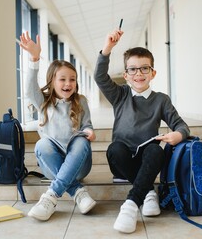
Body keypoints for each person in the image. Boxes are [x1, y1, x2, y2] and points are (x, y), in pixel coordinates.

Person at [94, 29, 190, 233]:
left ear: (153, 73)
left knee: (157, 150)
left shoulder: (161, 100)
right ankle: (147, 191)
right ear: (125, 75)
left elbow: (181, 125)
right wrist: (108, 48)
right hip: (122, 161)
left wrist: (177, 135)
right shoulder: (119, 95)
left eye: (144, 68)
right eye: (133, 69)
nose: (139, 74)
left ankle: (130, 205)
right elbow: (100, 77)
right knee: (114, 149)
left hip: (148, 159)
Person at [18, 31, 97, 221]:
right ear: (52, 81)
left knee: (81, 142)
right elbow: (29, 88)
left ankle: (51, 196)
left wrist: (89, 131)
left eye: (72, 79)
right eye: (62, 79)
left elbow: (87, 124)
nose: (68, 83)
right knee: (41, 145)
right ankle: (77, 192)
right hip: (52, 166)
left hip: (79, 164)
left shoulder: (81, 101)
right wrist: (34, 59)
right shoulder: (43, 101)